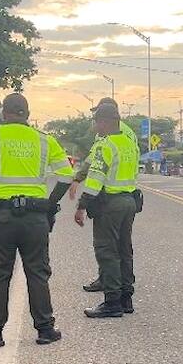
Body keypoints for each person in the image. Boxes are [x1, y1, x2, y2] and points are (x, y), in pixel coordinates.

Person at [0, 94, 72, 348]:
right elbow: (66, 175)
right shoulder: (45, 140)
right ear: (27, 114)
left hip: (1, 218)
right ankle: (45, 329)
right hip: (35, 219)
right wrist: (50, 205)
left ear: (4, 113)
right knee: (38, 273)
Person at [77, 98, 140, 318]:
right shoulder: (130, 143)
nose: (96, 127)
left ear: (104, 122)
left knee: (107, 251)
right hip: (129, 201)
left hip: (110, 204)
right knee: (125, 249)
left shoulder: (105, 145)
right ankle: (126, 298)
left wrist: (82, 205)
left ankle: (112, 301)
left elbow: (95, 178)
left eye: (97, 122)